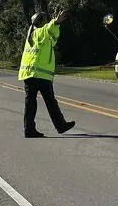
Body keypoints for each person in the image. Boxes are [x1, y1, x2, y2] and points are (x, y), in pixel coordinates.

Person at [18, 10, 75, 138]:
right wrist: (56, 22)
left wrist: (56, 24)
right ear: (40, 22)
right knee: (47, 101)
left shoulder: (34, 34)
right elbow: (47, 30)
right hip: (39, 73)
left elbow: (53, 37)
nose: (46, 21)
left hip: (31, 73)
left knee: (34, 102)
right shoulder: (38, 32)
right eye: (44, 20)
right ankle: (59, 126)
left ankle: (31, 129)